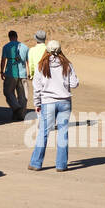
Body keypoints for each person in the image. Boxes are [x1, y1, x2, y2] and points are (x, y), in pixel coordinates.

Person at [29, 40, 78, 172]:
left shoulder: (41, 65)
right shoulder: (67, 64)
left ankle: (36, 163)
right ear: (60, 50)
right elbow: (74, 83)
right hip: (64, 101)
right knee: (63, 132)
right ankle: (61, 165)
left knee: (43, 132)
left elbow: (37, 87)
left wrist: (37, 103)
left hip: (48, 101)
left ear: (47, 51)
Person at [0, 30, 29, 122]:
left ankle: (16, 107)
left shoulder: (6, 47)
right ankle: (21, 115)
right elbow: (28, 61)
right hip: (23, 73)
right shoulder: (25, 47)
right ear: (17, 36)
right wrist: (29, 72)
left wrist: (2, 71)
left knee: (8, 92)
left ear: (9, 37)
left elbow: (3, 60)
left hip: (10, 74)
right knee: (22, 95)